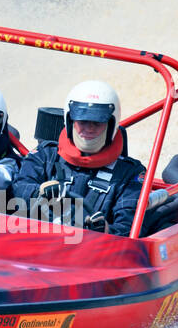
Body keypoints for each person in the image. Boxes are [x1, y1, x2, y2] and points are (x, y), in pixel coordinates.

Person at [10, 80, 146, 236]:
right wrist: (39, 194)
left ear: (111, 123)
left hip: (94, 253)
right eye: (82, 121)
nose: (89, 128)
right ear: (70, 120)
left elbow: (130, 228)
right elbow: (18, 189)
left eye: (97, 122)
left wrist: (106, 230)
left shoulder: (129, 174)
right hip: (38, 242)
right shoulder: (46, 155)